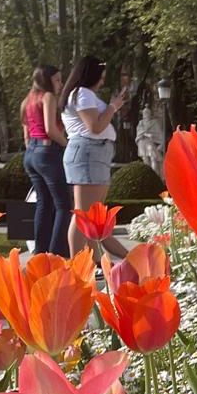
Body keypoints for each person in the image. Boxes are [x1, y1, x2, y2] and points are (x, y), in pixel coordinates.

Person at [59, 55, 130, 259]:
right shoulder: (83, 94)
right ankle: (77, 263)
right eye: (101, 77)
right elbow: (95, 127)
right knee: (83, 214)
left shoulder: (80, 94)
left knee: (92, 215)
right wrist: (113, 106)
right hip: (89, 152)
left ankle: (95, 260)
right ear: (92, 75)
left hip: (92, 153)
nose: (102, 82)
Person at [20, 65, 71, 255]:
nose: (60, 84)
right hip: (47, 151)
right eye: (57, 80)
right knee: (63, 205)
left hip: (31, 154)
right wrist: (68, 145)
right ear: (46, 80)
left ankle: (40, 252)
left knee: (44, 203)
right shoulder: (47, 97)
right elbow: (50, 129)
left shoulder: (27, 100)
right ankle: (56, 253)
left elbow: (26, 136)